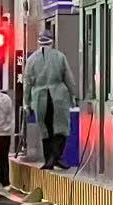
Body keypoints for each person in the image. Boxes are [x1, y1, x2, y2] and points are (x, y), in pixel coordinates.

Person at [25, 30, 77, 170]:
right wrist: (73, 96)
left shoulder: (31, 60)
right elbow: (69, 79)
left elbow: (27, 83)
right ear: (52, 42)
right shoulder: (60, 57)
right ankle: (55, 157)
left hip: (39, 98)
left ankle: (49, 159)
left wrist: (26, 103)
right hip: (58, 97)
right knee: (61, 128)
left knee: (45, 129)